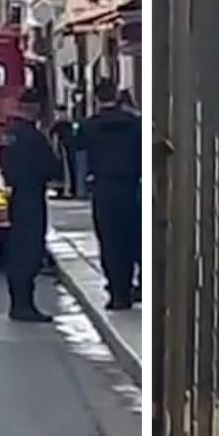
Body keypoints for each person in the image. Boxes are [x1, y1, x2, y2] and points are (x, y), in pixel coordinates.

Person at [0, 89, 61, 322]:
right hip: (32, 195)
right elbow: (52, 167)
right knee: (30, 249)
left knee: (18, 249)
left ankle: (18, 302)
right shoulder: (33, 137)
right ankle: (25, 305)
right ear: (33, 109)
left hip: (16, 195)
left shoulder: (8, 134)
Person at [79, 79, 142, 310]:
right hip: (132, 187)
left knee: (110, 242)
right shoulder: (135, 124)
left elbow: (79, 147)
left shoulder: (90, 125)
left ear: (96, 97)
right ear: (116, 95)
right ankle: (140, 284)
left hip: (104, 189)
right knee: (134, 239)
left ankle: (118, 293)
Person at [50, 106, 77, 199]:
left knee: (65, 169)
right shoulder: (68, 124)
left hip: (63, 149)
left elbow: (54, 138)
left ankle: (65, 189)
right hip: (67, 149)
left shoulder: (60, 125)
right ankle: (66, 189)